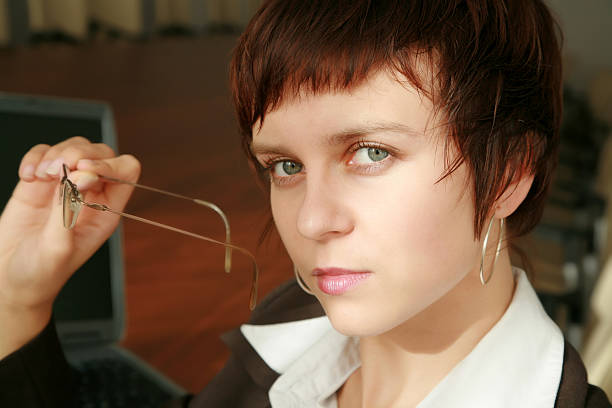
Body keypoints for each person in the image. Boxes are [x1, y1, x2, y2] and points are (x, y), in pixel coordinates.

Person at [1, 0, 611, 407]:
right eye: (285, 166)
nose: (312, 221)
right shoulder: (299, 324)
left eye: (370, 153)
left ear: (507, 171)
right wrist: (16, 299)